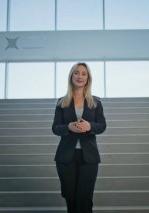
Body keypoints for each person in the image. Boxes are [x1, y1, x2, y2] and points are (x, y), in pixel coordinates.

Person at [52, 62, 106, 213]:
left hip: (89, 157)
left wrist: (90, 127)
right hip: (65, 157)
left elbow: (102, 125)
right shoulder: (61, 102)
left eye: (83, 73)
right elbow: (55, 128)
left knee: (84, 198)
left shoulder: (96, 102)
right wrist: (68, 127)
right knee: (70, 197)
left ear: (88, 78)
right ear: (71, 76)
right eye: (76, 73)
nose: (80, 76)